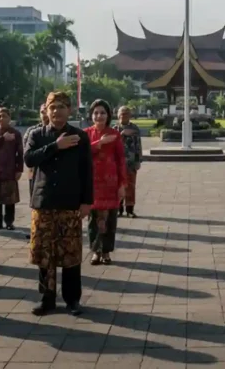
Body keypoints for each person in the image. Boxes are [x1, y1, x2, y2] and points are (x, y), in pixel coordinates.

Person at [24, 91, 93, 316]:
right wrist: (55, 146)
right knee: (44, 253)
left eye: (62, 107)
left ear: (69, 110)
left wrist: (86, 202)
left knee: (70, 252)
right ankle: (47, 298)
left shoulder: (80, 137)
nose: (57, 111)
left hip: (70, 201)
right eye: (53, 107)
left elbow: (86, 172)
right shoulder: (37, 134)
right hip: (44, 202)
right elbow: (29, 159)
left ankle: (72, 299)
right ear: (47, 110)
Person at [85, 99, 127, 265]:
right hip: (92, 182)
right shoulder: (86, 134)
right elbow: (82, 154)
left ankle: (107, 251)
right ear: (91, 115)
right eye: (96, 113)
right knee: (94, 219)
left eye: (102, 112)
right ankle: (96, 251)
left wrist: (123, 184)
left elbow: (121, 160)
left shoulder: (115, 134)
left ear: (108, 115)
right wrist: (100, 143)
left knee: (110, 219)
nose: (99, 116)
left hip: (110, 182)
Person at [0, 107, 24, 231]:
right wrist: (2, 138)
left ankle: (9, 222)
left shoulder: (16, 134)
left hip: (10, 169)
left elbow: (20, 153)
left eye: (4, 116)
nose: (2, 119)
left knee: (9, 198)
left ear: (9, 118)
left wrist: (19, 169)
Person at [21, 104, 49, 240]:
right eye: (42, 112)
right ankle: (35, 229)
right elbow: (27, 150)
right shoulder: (33, 130)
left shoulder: (57, 131)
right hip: (34, 171)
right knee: (35, 201)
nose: (44, 114)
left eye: (46, 111)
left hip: (49, 172)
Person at [116, 106, 143, 218]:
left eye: (126, 113)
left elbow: (138, 146)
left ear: (130, 116)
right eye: (122, 113)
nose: (124, 115)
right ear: (118, 115)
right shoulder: (114, 129)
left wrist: (138, 160)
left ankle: (130, 209)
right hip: (117, 163)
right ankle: (119, 209)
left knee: (131, 186)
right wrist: (122, 134)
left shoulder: (135, 129)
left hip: (131, 163)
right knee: (118, 186)